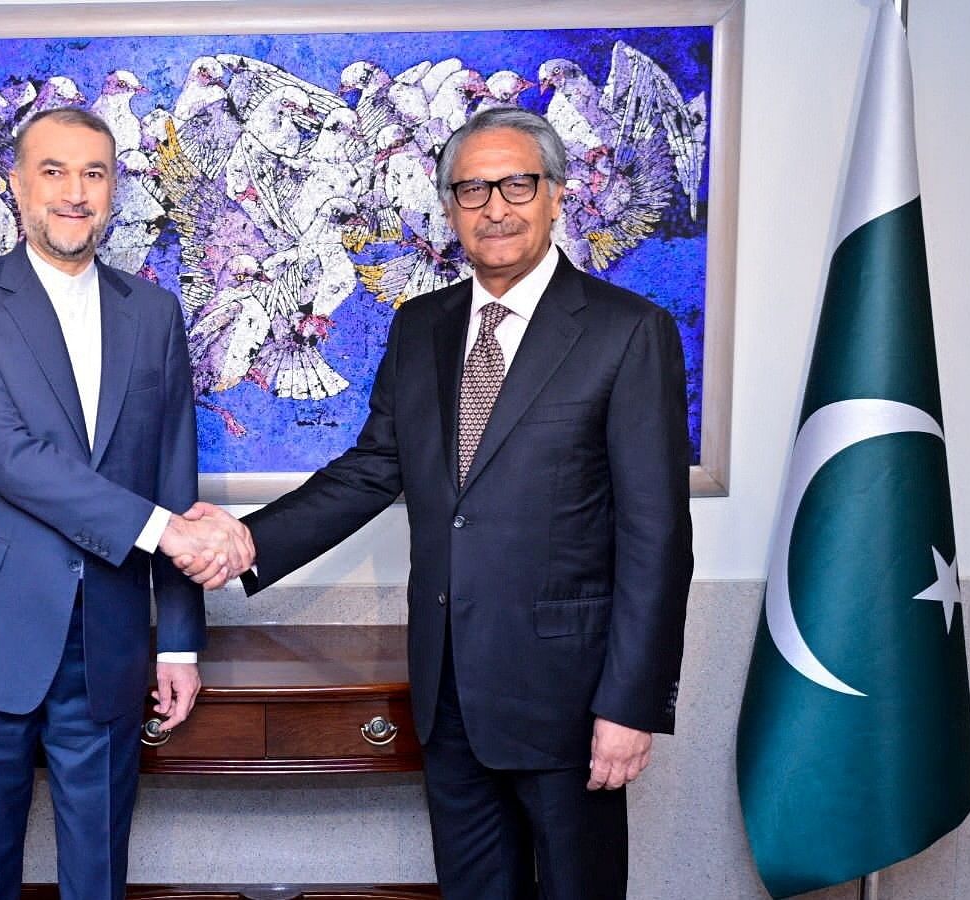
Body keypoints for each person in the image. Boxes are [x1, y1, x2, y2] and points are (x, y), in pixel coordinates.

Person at [182, 107, 693, 899]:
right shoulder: (419, 326)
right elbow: (371, 469)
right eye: (472, 189)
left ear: (556, 196)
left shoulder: (628, 332)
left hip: (569, 698)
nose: (496, 206)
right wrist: (248, 541)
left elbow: (658, 537)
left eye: (517, 184)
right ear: (449, 208)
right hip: (448, 690)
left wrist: (630, 706)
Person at [0, 107, 250, 900]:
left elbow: (171, 471)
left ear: (113, 190)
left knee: (99, 875)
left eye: (94, 173)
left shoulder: (152, 312)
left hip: (110, 638)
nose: (75, 192)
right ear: (17, 185)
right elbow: (9, 456)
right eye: (53, 171)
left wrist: (180, 642)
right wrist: (170, 536)